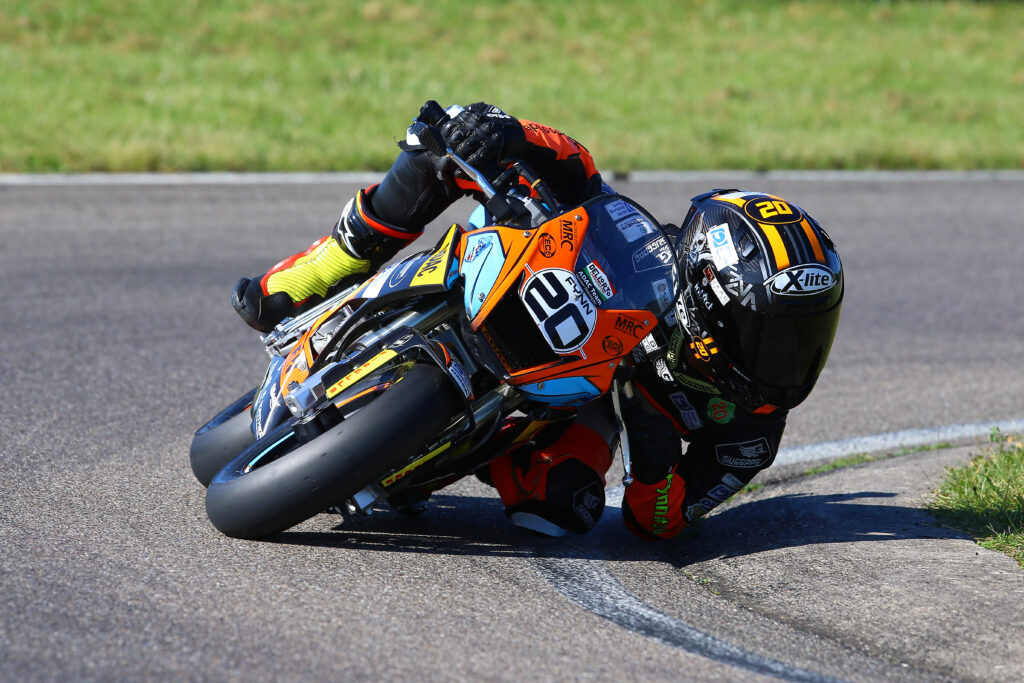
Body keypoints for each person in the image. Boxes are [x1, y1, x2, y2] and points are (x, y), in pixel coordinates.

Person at [231, 101, 844, 540]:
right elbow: (577, 166)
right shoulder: (647, 251)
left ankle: (439, 451)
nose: (788, 358)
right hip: (527, 276)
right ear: (710, 295)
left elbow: (660, 520)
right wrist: (505, 133)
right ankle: (319, 270)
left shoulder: (751, 431)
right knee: (443, 141)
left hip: (582, 399)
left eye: (805, 337)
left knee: (562, 509)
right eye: (771, 334)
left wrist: (654, 450)